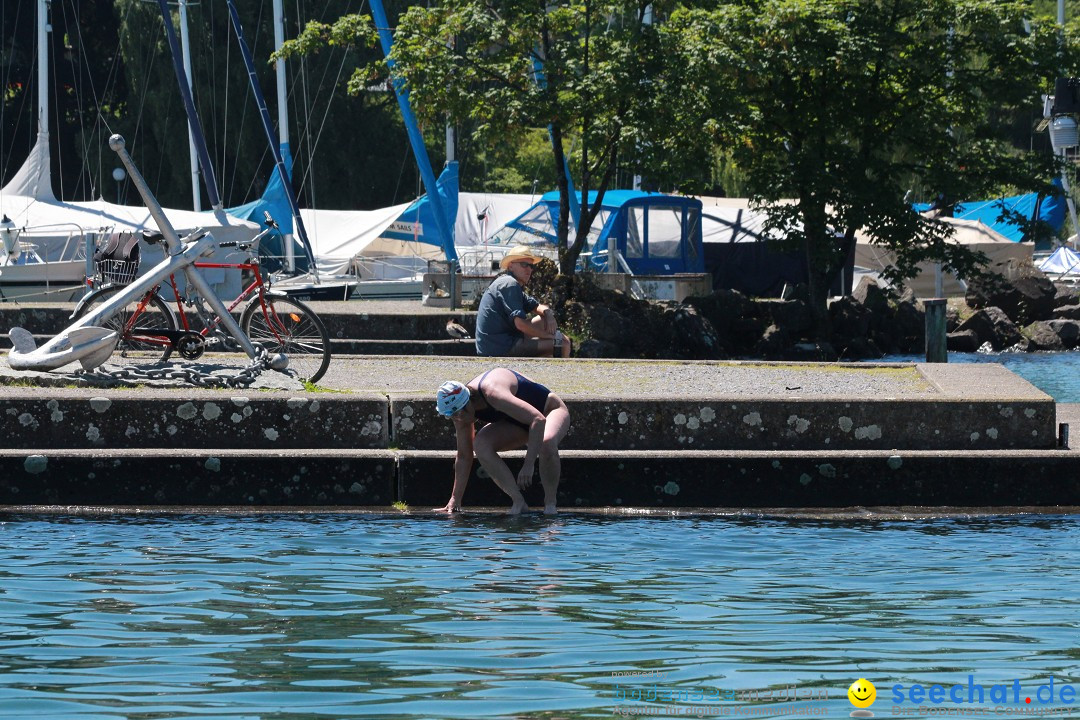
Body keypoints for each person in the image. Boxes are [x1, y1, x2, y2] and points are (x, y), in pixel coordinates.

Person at [434, 367, 571, 515]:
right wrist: (455, 498)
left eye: (458, 414)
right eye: (452, 416)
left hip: (548, 411)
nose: (458, 419)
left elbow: (538, 420)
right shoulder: (460, 414)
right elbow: (464, 456)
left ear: (467, 402)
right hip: (518, 422)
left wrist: (529, 464)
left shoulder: (492, 393)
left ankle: (550, 505)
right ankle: (518, 502)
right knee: (481, 444)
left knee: (546, 441)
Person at [474, 245, 572, 358]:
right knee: (563, 344)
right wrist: (550, 337)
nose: (529, 269)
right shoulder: (510, 284)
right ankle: (559, 373)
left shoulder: (508, 283)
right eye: (524, 265)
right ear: (511, 266)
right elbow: (520, 325)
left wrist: (548, 314)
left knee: (543, 320)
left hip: (498, 343)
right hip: (500, 347)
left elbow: (537, 307)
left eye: (531, 266)